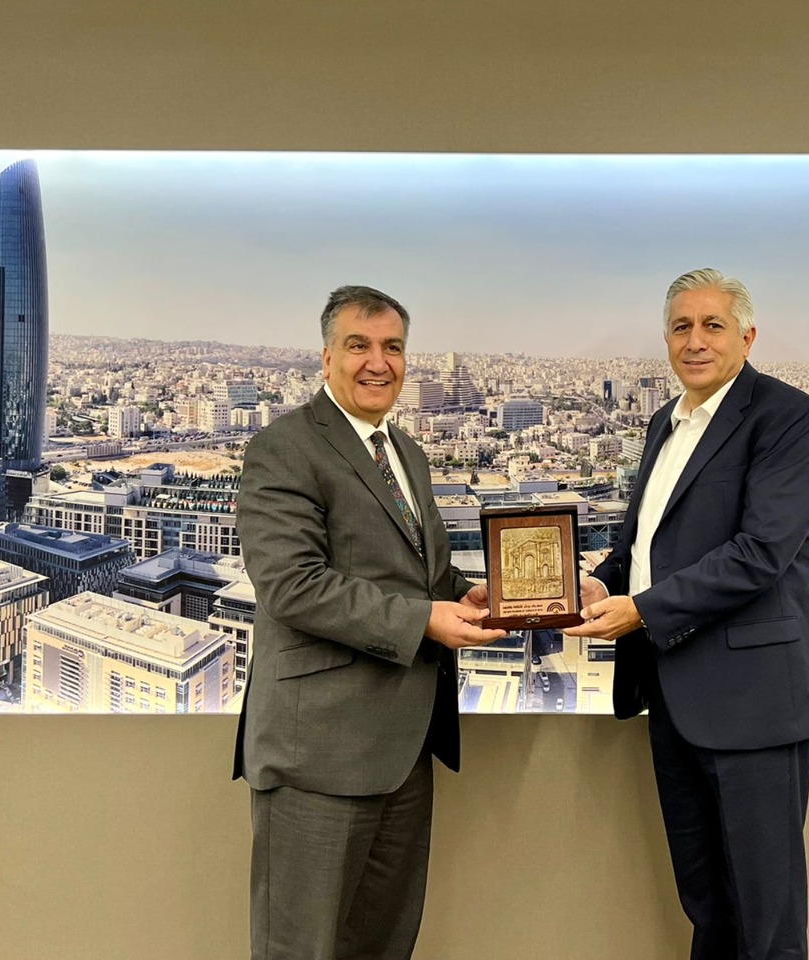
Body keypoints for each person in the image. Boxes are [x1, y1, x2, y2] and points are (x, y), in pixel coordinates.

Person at [566, 268, 809, 960]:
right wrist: (601, 583)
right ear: (666, 339)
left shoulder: (788, 417)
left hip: (753, 702)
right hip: (672, 698)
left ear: (748, 336)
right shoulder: (666, 421)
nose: (696, 340)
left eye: (713, 325)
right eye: (681, 327)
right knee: (707, 907)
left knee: (768, 922)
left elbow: (759, 553)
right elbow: (645, 542)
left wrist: (641, 611)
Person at [232, 284, 505, 960]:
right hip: (318, 753)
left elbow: (419, 577)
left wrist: (477, 596)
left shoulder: (406, 451)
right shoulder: (284, 447)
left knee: (384, 944)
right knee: (302, 947)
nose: (378, 362)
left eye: (393, 347)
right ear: (327, 357)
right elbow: (292, 586)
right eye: (359, 346)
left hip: (404, 751)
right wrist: (424, 621)